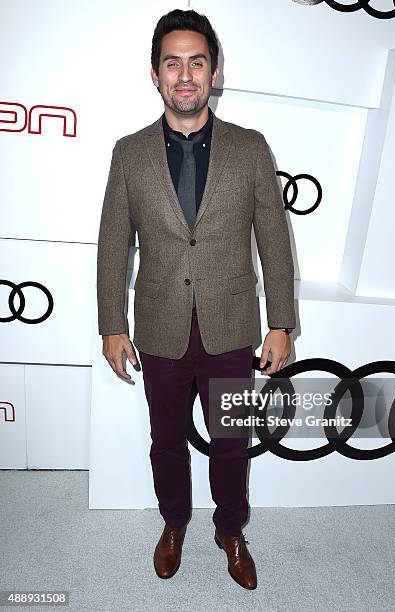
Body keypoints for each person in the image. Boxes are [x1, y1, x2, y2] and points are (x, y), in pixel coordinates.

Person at [96, 8, 296, 590]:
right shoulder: (128, 153)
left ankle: (231, 529)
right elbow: (114, 244)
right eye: (172, 63)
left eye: (197, 62)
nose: (186, 75)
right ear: (155, 75)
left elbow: (273, 241)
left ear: (214, 73)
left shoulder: (251, 148)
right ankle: (175, 524)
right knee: (166, 443)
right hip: (158, 326)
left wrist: (281, 321)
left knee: (230, 443)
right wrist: (113, 324)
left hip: (231, 327)